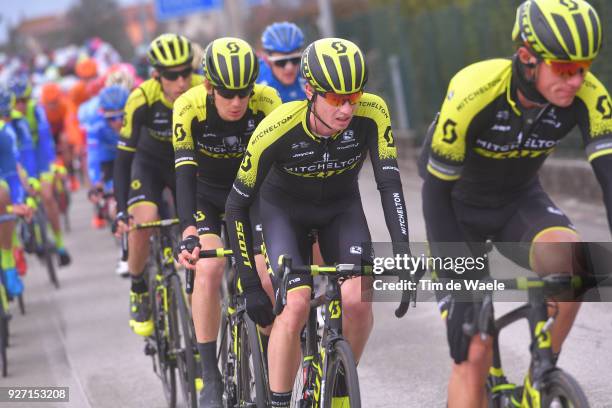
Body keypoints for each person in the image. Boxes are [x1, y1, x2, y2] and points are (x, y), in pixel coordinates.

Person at [418, 1, 610, 406]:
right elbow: (434, 192)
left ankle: (539, 380)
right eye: (563, 68)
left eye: (583, 67)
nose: (576, 80)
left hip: (519, 203)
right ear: (526, 58)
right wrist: (460, 288)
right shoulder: (476, 91)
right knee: (472, 353)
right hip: (457, 210)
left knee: (576, 266)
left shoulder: (590, 96)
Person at [224, 37, 410, 407]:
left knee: (358, 300)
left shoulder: (373, 113)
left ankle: (340, 393)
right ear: (310, 91)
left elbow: (388, 182)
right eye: (336, 99)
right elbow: (236, 206)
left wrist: (402, 249)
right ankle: (278, 401)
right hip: (283, 214)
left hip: (340, 210)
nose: (346, 109)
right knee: (295, 303)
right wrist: (249, 282)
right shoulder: (278, 126)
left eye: (353, 97)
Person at [173, 36, 282, 408]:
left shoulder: (268, 102)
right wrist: (188, 228)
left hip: (249, 195)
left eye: (244, 93)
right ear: (208, 86)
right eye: (228, 93)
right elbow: (184, 173)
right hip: (206, 195)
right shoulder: (188, 106)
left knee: (265, 275)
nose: (237, 102)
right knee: (209, 266)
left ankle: (268, 369)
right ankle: (211, 377)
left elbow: (281, 170)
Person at [113, 33, 203, 337]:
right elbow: (123, 159)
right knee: (145, 220)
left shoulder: (201, 89)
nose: (181, 81)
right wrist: (121, 209)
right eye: (171, 75)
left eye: (186, 72)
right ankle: (138, 288)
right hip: (149, 165)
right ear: (156, 75)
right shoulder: (142, 98)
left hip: (187, 164)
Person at [9, 75, 71, 267]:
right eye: (17, 101)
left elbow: (45, 142)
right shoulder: (8, 118)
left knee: (47, 195)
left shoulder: (37, 112)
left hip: (40, 158)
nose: (21, 105)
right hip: (17, 162)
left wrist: (53, 165)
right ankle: (20, 245)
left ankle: (60, 244)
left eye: (25, 100)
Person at [0, 86, 33, 297]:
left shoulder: (4, 133)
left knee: (3, 194)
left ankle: (8, 263)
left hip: (3, 176)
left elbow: (12, 173)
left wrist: (19, 201)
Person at [87, 85, 129, 229]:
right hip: (109, 160)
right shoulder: (96, 124)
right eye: (112, 118)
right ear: (103, 113)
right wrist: (96, 182)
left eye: (122, 116)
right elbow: (93, 156)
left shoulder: (135, 117)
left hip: (130, 156)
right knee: (114, 203)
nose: (118, 122)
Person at [257, 21, 306, 102]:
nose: (289, 67)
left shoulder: (311, 78)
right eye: (281, 62)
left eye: (295, 60)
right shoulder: (257, 82)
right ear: (268, 61)